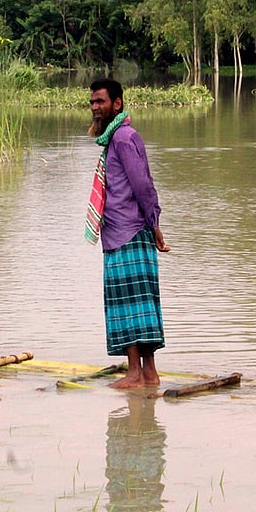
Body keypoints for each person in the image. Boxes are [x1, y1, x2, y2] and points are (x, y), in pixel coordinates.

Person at [86, 78, 170, 389]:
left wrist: (154, 224)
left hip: (129, 232)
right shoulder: (116, 138)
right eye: (93, 103)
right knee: (136, 303)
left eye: (101, 102)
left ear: (117, 104)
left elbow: (143, 185)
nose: (95, 108)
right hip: (123, 232)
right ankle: (147, 373)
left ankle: (136, 374)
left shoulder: (122, 138)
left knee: (131, 304)